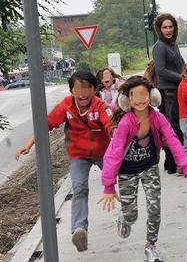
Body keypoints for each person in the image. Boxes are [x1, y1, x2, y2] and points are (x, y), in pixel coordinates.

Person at [99, 76, 187, 262]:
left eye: (143, 94)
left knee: (154, 207)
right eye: (134, 96)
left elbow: (172, 140)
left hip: (149, 167)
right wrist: (108, 186)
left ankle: (150, 246)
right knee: (132, 215)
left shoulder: (157, 117)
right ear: (126, 99)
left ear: (152, 96)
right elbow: (114, 153)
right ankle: (124, 216)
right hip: (127, 171)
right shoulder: (126, 123)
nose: (139, 100)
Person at [15, 71, 114, 253]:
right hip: (79, 155)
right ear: (71, 91)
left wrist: (118, 140)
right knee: (79, 187)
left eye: (87, 88)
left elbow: (111, 126)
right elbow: (46, 125)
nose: (82, 93)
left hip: (104, 153)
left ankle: (127, 215)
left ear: (94, 89)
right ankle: (79, 229)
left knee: (124, 179)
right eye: (77, 89)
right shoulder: (67, 106)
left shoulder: (101, 106)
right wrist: (27, 145)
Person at [152, 12, 185, 174]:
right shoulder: (159, 46)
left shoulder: (173, 45)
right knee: (173, 127)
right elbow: (161, 70)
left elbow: (181, 63)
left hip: (177, 89)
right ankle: (175, 163)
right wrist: (181, 77)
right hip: (167, 92)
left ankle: (171, 163)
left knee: (176, 126)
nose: (168, 30)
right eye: (165, 27)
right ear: (159, 29)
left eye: (171, 26)